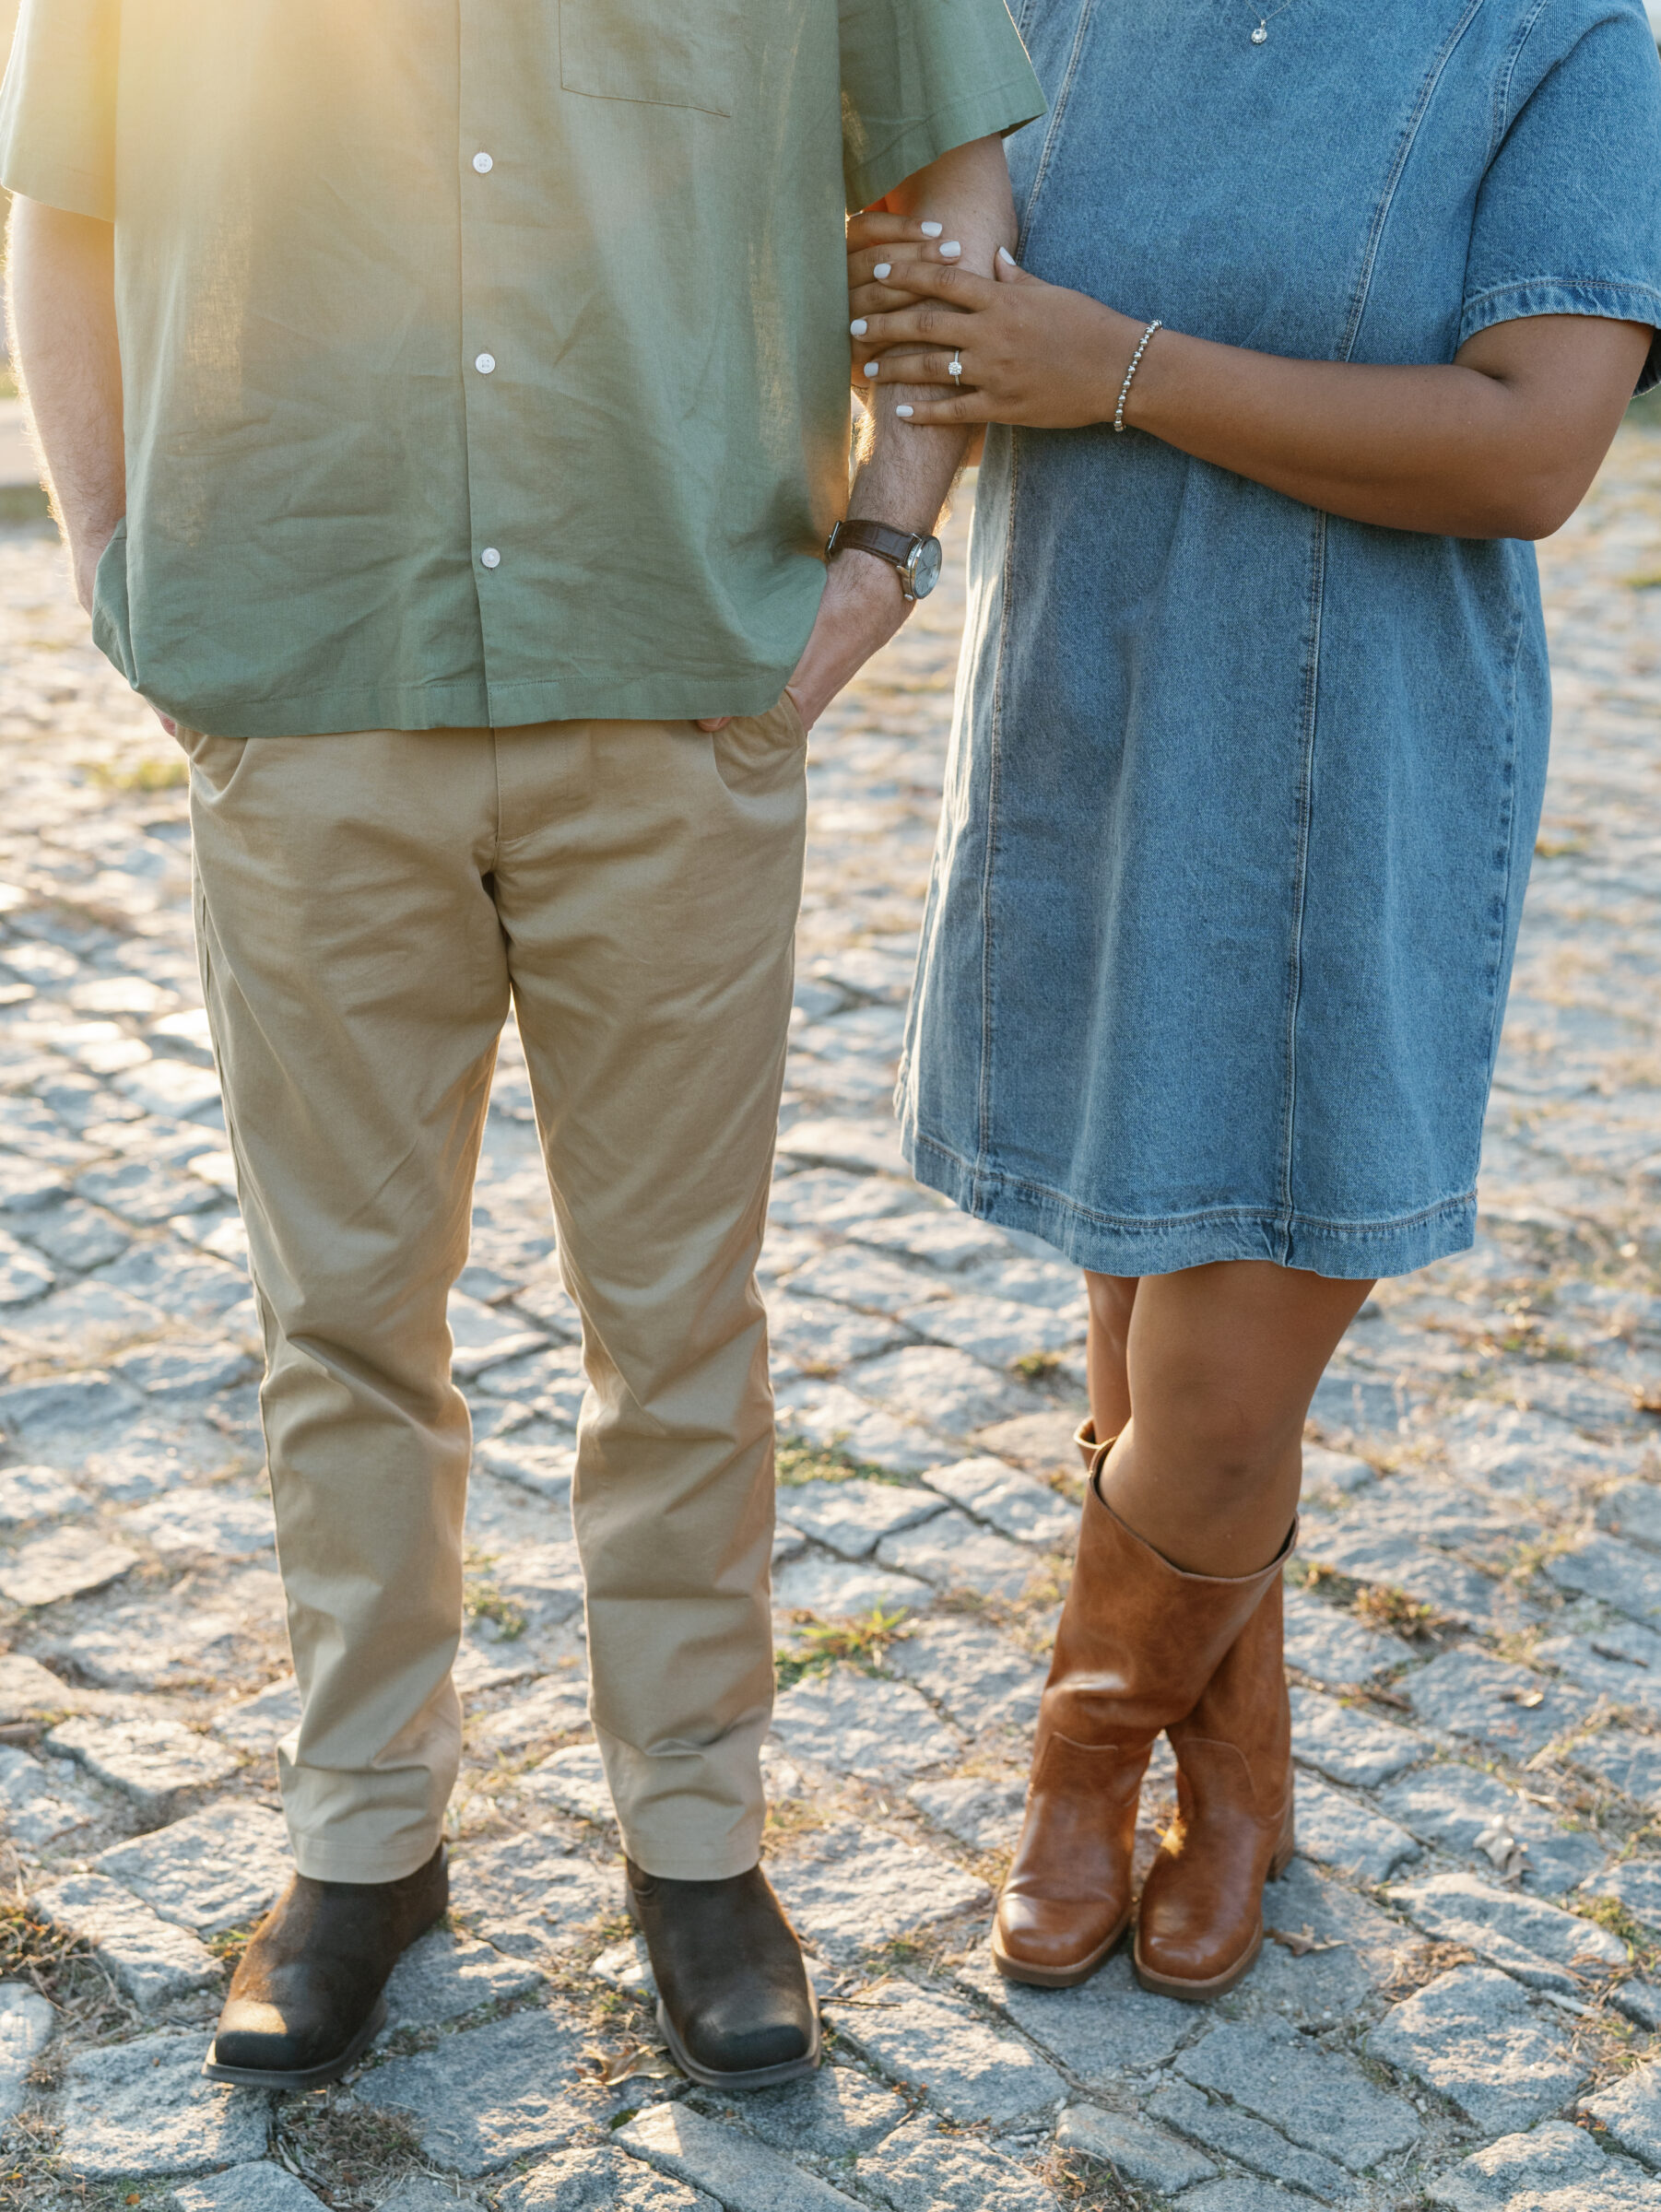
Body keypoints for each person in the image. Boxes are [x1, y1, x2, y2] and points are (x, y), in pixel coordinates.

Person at [0, 0, 1043, 2089]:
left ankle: (700, 1853)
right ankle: (363, 1845)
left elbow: (954, 187)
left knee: (675, 1320)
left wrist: (887, 547)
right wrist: (121, 571)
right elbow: (63, 208)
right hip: (303, 679)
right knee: (343, 1320)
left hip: (675, 685)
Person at [847, 0, 1661, 2000]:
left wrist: (1109, 370)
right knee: (1145, 1351)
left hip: (1348, 766)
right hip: (1089, 735)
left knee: (1210, 1401)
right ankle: (1238, 1779)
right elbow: (910, 316)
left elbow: (1530, 446)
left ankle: (1077, 1760)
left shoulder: (1559, 39)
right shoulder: (1048, 18)